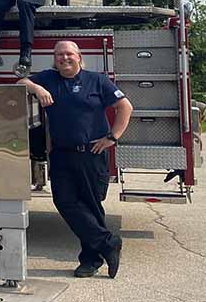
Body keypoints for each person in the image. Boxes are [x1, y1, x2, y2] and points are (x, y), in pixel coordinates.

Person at [20, 40, 133, 279]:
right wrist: (36, 88)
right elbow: (20, 82)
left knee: (90, 207)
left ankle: (90, 260)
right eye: (59, 54)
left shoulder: (97, 80)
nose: (64, 58)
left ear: (79, 57)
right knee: (65, 202)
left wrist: (112, 137)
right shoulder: (49, 78)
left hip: (91, 154)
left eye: (69, 53)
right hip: (60, 153)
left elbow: (125, 107)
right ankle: (108, 243)